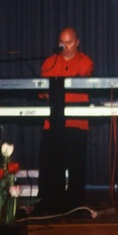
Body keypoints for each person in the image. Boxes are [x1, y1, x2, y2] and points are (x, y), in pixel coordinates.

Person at [38, 27, 94, 214]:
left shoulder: (85, 61)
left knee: (76, 166)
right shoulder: (49, 63)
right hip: (53, 123)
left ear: (77, 42)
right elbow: (42, 91)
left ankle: (75, 207)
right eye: (62, 42)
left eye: (69, 42)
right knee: (52, 166)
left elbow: (80, 81)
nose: (66, 46)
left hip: (77, 123)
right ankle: (52, 205)